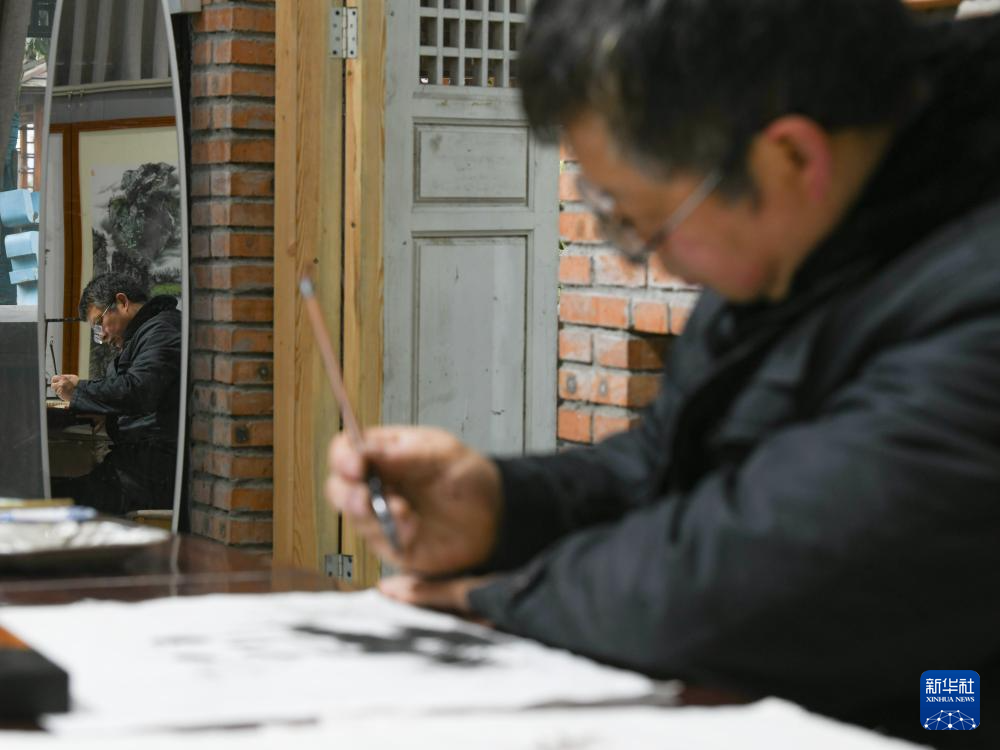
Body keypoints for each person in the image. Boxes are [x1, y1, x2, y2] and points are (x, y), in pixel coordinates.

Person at [328, 1, 1000, 745]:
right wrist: (500, 506)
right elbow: (668, 462)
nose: (643, 257)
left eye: (642, 220)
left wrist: (503, 596)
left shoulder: (976, 289)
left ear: (792, 158)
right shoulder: (800, 232)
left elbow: (767, 580)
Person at [51, 273, 181, 515]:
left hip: (150, 473)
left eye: (99, 323)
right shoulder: (146, 334)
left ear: (122, 302)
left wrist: (79, 390)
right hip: (136, 466)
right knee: (53, 492)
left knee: (52, 498)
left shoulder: (161, 331)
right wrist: (103, 409)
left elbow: (138, 390)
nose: (102, 336)